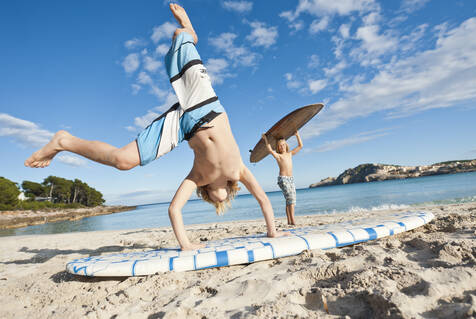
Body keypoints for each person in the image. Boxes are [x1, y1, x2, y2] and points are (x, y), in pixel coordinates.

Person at [25, 3, 287, 250]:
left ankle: (64, 141)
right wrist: (272, 232)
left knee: (123, 161)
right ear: (229, 191)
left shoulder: (197, 178)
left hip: (183, 126)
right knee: (182, 37)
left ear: (207, 193)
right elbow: (263, 199)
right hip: (206, 104)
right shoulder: (238, 171)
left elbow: (174, 209)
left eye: (220, 202)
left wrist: (186, 244)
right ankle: (191, 33)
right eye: (226, 199)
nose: (223, 201)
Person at [262, 131, 303, 225]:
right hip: (283, 179)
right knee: (291, 199)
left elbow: (300, 146)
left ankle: (289, 221)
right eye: (280, 146)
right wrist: (265, 139)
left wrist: (297, 135)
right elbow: (270, 150)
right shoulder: (279, 156)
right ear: (278, 147)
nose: (282, 147)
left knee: (289, 200)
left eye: (283, 145)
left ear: (286, 145)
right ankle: (293, 221)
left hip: (291, 179)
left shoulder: (290, 154)